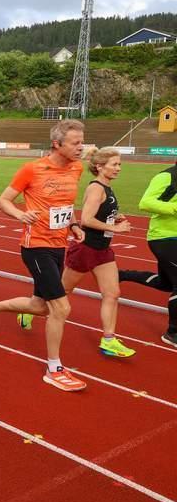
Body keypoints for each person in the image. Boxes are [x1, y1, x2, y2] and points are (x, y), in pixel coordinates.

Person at [0, 120, 87, 392]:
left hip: (60, 245)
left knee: (39, 306)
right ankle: (54, 368)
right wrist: (21, 215)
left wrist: (73, 225)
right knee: (61, 307)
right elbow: (3, 201)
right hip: (35, 245)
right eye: (75, 143)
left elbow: (65, 206)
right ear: (57, 144)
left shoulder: (77, 168)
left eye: (82, 142)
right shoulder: (32, 169)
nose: (81, 147)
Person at [59, 147, 134, 357]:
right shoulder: (96, 188)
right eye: (114, 164)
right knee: (61, 292)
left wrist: (114, 218)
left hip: (102, 250)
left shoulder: (107, 187)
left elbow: (99, 214)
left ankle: (108, 340)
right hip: (86, 248)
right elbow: (86, 220)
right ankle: (30, 311)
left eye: (119, 164)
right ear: (100, 167)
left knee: (112, 293)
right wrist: (115, 228)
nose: (118, 168)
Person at [118, 159, 177, 349]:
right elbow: (145, 203)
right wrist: (174, 208)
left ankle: (123, 275)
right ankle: (173, 333)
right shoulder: (167, 176)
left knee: (166, 283)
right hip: (163, 236)